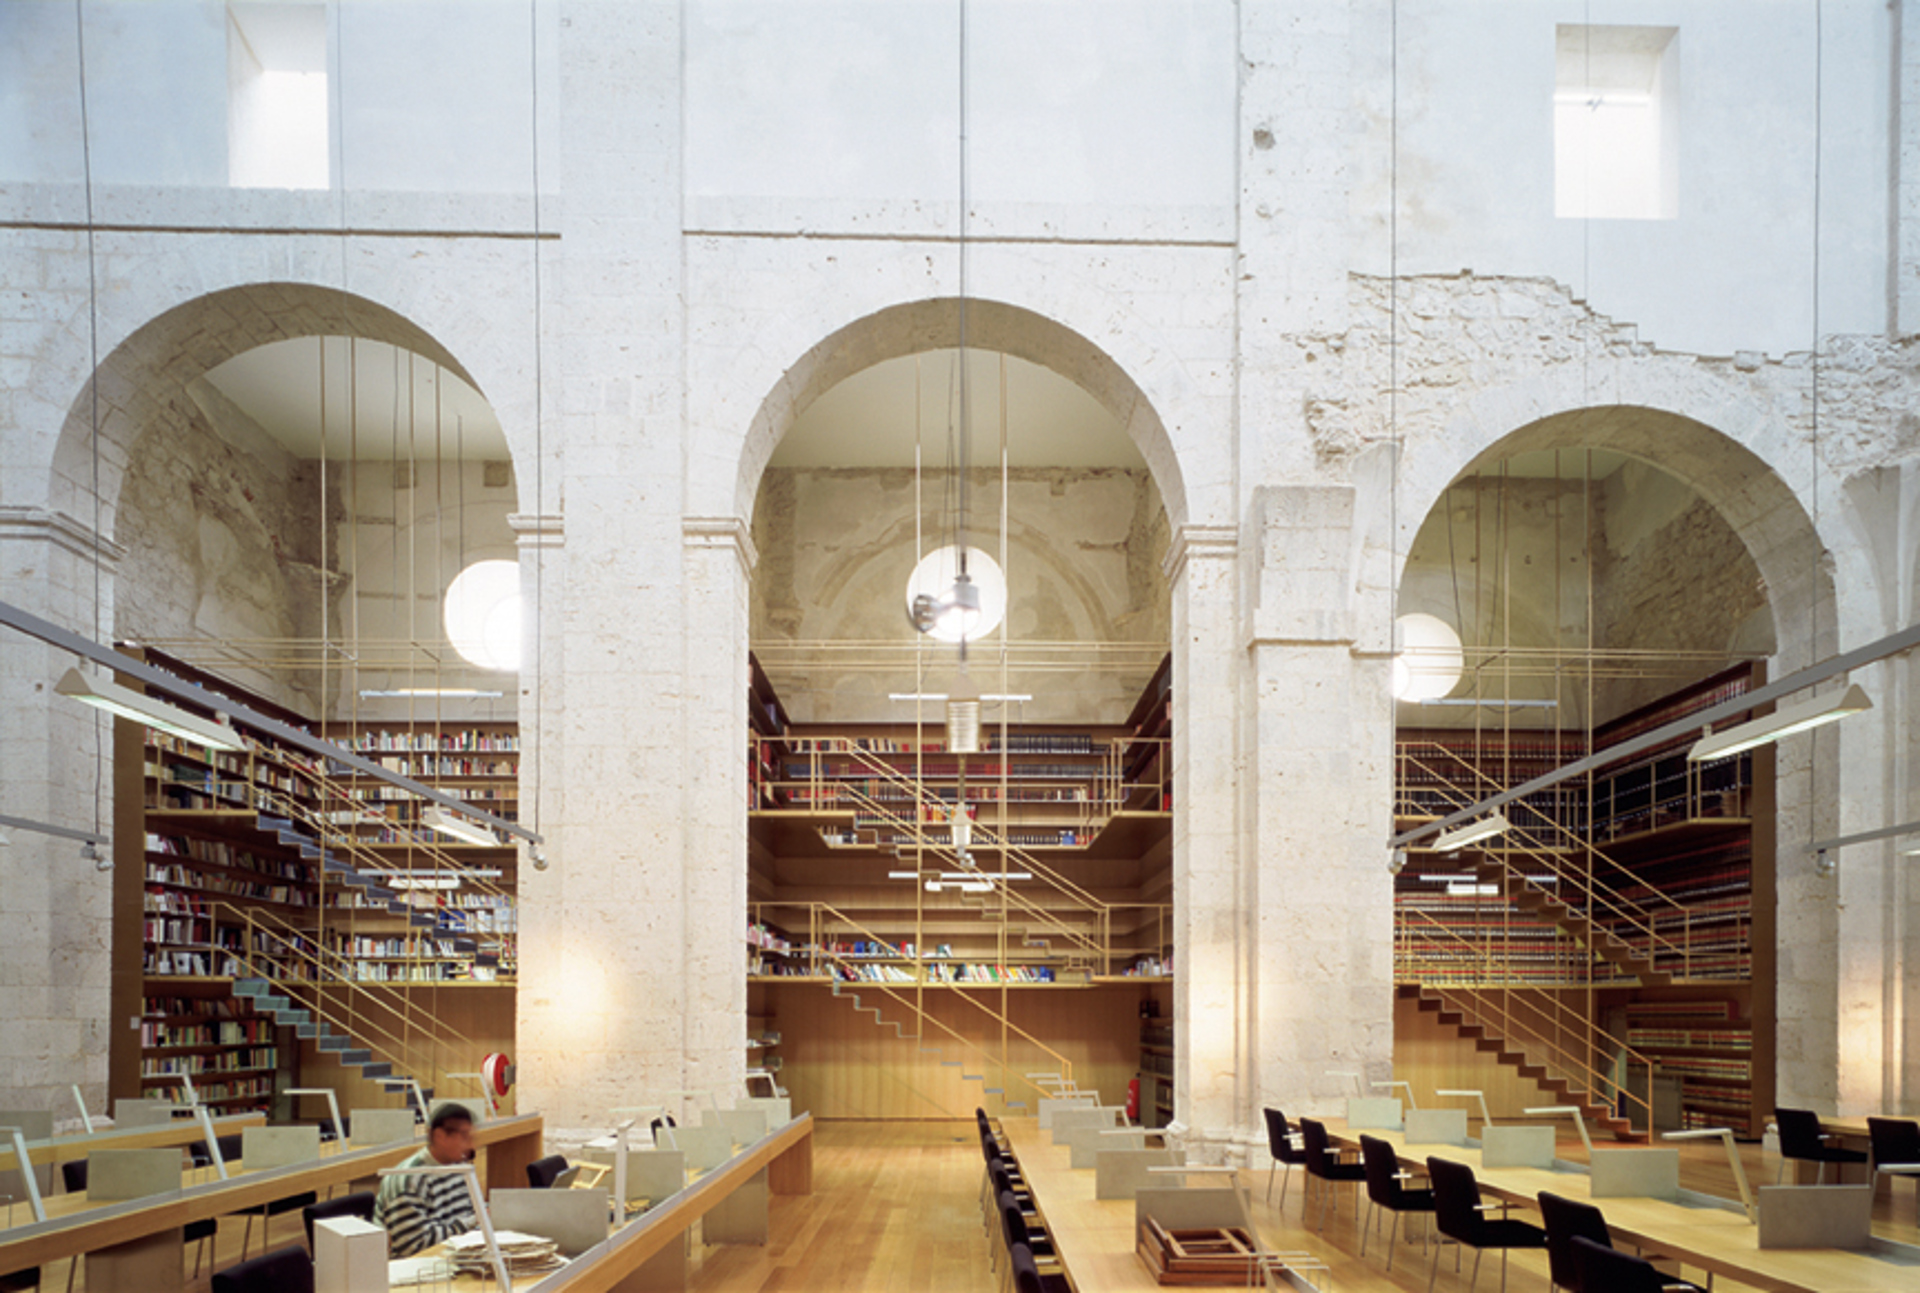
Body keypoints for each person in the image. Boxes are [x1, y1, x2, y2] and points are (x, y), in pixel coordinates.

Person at [375, 1103, 478, 1257]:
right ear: (440, 1136)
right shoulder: (407, 1181)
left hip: (451, 1258)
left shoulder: (459, 1167)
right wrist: (471, 1223)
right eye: (464, 1136)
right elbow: (414, 1246)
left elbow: (471, 1215)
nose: (470, 1144)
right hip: (415, 1269)